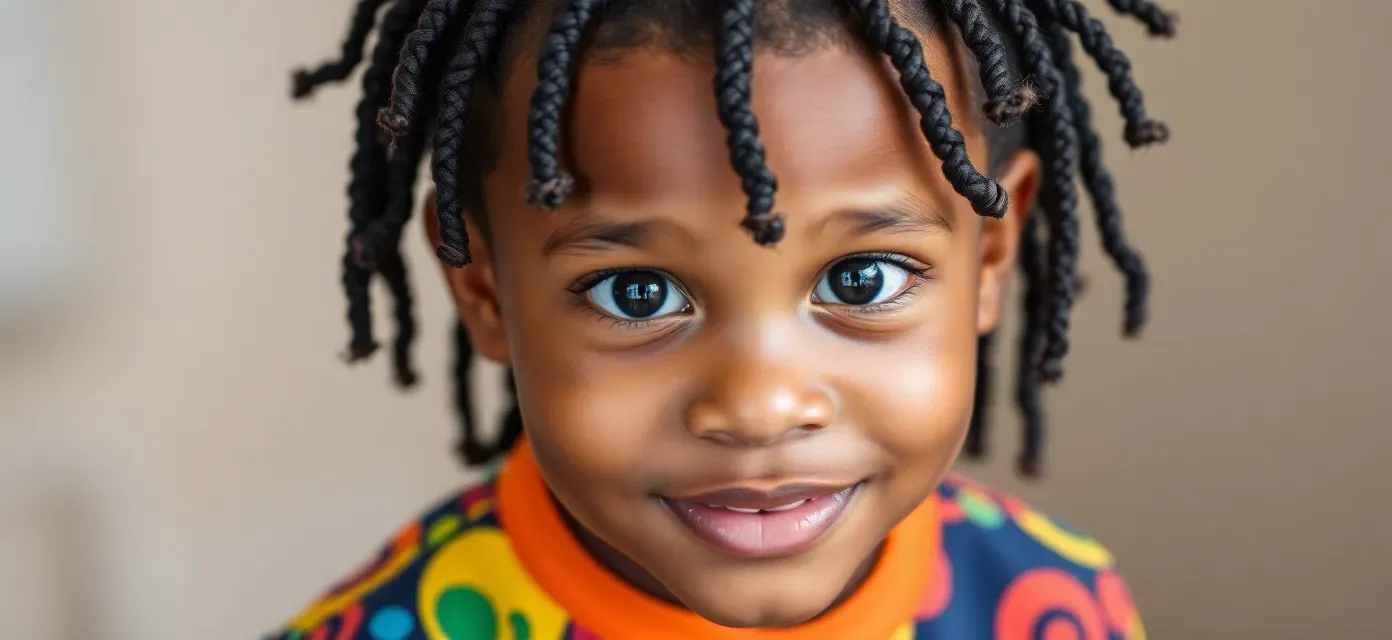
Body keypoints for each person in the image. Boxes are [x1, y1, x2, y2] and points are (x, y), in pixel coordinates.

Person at [270, 0, 1178, 637]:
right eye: (640, 294)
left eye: (860, 280)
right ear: (485, 290)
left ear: (988, 256)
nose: (760, 405)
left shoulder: (1059, 605)